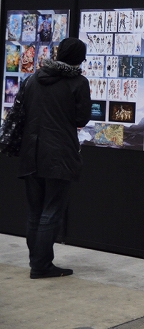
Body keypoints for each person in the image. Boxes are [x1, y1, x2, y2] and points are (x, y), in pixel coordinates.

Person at [18, 37, 90, 279]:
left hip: (31, 152)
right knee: (51, 210)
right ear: (78, 59)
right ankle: (41, 266)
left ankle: (37, 262)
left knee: (34, 211)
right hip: (59, 154)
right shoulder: (78, 83)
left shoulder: (34, 79)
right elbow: (81, 118)